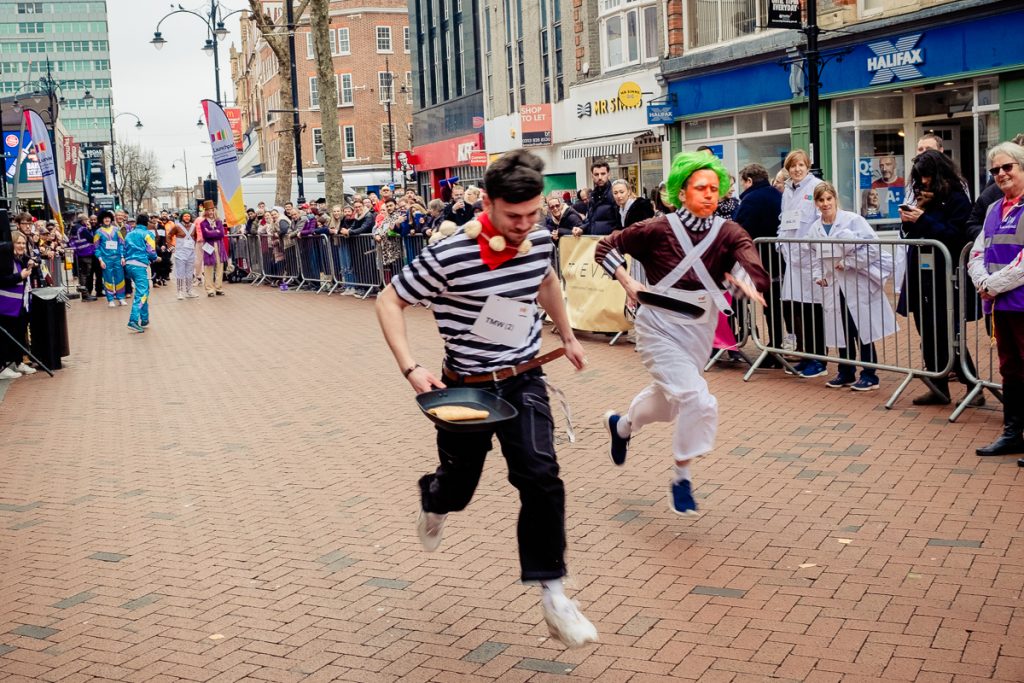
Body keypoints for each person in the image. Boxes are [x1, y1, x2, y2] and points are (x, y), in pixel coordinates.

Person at [375, 149, 598, 649]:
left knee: (541, 475)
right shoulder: (449, 255)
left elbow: (545, 281)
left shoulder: (540, 239)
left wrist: (569, 334)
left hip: (524, 378)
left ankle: (555, 595)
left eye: (533, 214)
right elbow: (390, 299)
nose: (524, 225)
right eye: (513, 216)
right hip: (467, 389)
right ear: (490, 206)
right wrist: (410, 367)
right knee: (459, 487)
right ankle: (434, 502)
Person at [597, 152, 769, 516]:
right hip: (657, 325)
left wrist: (748, 282)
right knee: (697, 398)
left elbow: (750, 262)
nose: (709, 194)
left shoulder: (729, 232)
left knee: (672, 403)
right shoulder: (658, 228)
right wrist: (626, 280)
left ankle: (623, 426)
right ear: (681, 191)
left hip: (698, 330)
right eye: (700, 187)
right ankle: (681, 476)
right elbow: (605, 246)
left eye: (714, 188)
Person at [899, 150, 974, 405]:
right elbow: (910, 236)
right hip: (922, 274)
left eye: (928, 176)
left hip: (945, 275)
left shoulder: (956, 199)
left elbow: (956, 235)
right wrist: (909, 219)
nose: (925, 182)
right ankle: (938, 385)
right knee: (927, 332)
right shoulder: (923, 196)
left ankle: (972, 385)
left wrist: (924, 218)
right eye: (921, 178)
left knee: (947, 333)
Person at [809, 182, 897, 391]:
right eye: (821, 200)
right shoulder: (815, 228)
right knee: (841, 327)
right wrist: (817, 275)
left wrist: (849, 263)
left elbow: (873, 248)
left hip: (857, 280)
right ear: (816, 203)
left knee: (860, 326)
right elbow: (813, 254)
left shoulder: (853, 220)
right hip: (834, 283)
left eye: (829, 199)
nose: (825, 204)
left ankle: (869, 373)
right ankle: (845, 370)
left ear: (835, 199)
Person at [969, 141, 1024, 458]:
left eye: (1007, 167)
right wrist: (984, 282)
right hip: (1001, 306)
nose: (1001, 174)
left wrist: (992, 285)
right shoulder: (992, 209)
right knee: (1010, 370)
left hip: (1019, 302)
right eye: (995, 170)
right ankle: (1013, 433)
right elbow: (978, 252)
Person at [779, 149, 827, 378]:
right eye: (792, 166)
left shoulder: (816, 187)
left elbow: (822, 219)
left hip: (810, 259)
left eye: (801, 165)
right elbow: (784, 220)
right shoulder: (787, 190)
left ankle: (820, 358)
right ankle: (807, 356)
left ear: (808, 166)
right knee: (798, 307)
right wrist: (780, 244)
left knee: (813, 310)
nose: (797, 170)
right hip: (793, 259)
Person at [734, 163, 784, 364]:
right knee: (775, 304)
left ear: (749, 181)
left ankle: (772, 348)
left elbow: (740, 227)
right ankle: (777, 345)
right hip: (778, 256)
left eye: (742, 183)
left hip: (761, 258)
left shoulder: (751, 199)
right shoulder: (776, 194)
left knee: (766, 303)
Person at [0, 235, 38, 379]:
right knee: (4, 337)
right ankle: (2, 367)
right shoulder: (4, 260)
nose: (21, 246)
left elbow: (36, 259)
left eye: (23, 243)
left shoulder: (19, 259)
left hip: (19, 304)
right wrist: (19, 277)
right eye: (18, 243)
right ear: (11, 244)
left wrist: (32, 263)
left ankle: (18, 362)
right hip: (5, 305)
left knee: (19, 334)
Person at [123, 214, 159, 333]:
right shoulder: (148, 234)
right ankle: (133, 320)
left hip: (129, 265)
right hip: (140, 265)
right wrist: (155, 258)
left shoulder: (129, 234)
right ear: (147, 222)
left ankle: (144, 318)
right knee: (142, 292)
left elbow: (124, 249)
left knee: (143, 290)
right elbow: (151, 250)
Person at [93, 210, 127, 307]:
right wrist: (100, 260)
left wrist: (122, 257)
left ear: (111, 219)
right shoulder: (98, 232)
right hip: (106, 259)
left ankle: (121, 298)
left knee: (120, 278)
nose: (107, 219)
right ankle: (110, 299)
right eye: (105, 218)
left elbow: (121, 244)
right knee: (107, 279)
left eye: (108, 218)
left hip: (117, 258)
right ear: (102, 220)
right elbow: (96, 248)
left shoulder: (117, 230)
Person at [197, 200, 228, 297]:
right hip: (209, 246)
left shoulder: (218, 221)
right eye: (209, 211)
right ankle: (210, 289)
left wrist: (212, 232)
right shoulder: (203, 223)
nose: (211, 212)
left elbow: (222, 234)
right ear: (205, 212)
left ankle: (218, 288)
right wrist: (216, 232)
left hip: (219, 246)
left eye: (212, 210)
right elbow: (206, 235)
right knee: (208, 268)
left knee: (219, 266)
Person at [167, 211, 200, 300]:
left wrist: (196, 247)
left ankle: (189, 291)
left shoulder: (194, 226)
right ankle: (180, 292)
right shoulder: (177, 226)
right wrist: (170, 247)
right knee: (180, 273)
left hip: (190, 253)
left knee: (189, 273)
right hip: (180, 253)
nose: (187, 217)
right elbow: (169, 235)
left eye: (188, 216)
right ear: (182, 217)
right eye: (185, 216)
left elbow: (197, 237)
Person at [69, 214, 99, 300]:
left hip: (79, 253)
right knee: (85, 274)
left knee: (83, 274)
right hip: (86, 253)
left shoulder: (73, 228)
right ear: (82, 221)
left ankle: (85, 294)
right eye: (86, 221)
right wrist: (89, 230)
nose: (87, 222)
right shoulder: (82, 229)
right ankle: (85, 295)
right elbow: (91, 239)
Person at [585, 161, 619, 235]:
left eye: (603, 174)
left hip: (609, 242)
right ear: (592, 176)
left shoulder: (615, 195)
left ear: (608, 175)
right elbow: (590, 221)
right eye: (596, 174)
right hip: (594, 241)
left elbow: (620, 222)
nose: (600, 177)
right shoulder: (592, 196)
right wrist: (581, 228)